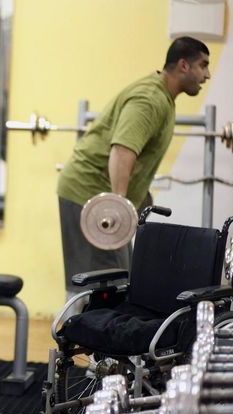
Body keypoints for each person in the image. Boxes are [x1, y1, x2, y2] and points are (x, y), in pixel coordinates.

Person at [56, 36, 211, 299]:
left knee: (118, 277)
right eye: (203, 65)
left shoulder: (162, 96)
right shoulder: (149, 100)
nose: (207, 75)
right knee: (99, 283)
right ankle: (75, 335)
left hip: (99, 194)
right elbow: (122, 151)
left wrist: (140, 201)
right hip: (88, 193)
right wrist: (118, 209)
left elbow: (136, 157)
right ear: (183, 65)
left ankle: (95, 336)